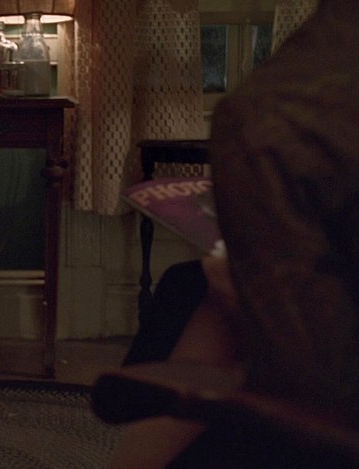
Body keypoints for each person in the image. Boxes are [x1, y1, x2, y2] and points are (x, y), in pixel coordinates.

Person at [108, 0, 359, 465]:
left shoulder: (277, 110)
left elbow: (311, 366)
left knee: (202, 289)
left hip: (327, 401)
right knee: (186, 282)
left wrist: (238, 287)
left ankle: (148, 426)